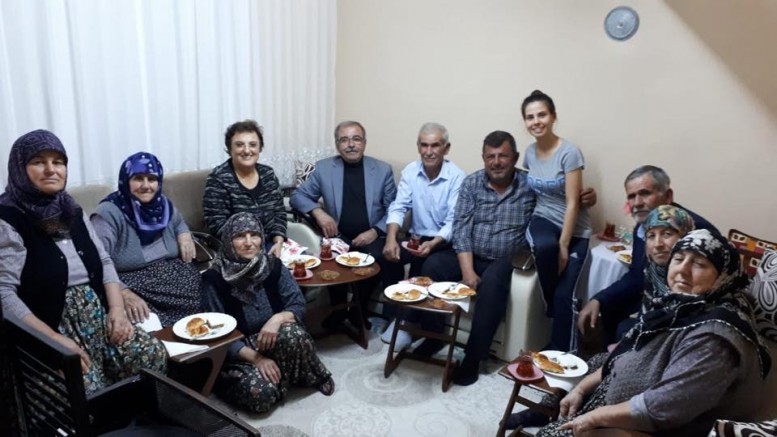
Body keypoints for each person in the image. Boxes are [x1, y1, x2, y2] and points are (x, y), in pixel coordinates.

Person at [537, 229, 770, 437]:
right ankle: (537, 414)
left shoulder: (716, 338)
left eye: (699, 264)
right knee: (570, 387)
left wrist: (593, 418)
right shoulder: (682, 307)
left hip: (646, 428)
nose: (683, 270)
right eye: (678, 259)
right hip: (619, 404)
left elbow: (665, 405)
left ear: (723, 276)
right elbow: (627, 353)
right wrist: (581, 389)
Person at [0, 130, 167, 394]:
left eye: (58, 162)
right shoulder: (8, 219)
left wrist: (117, 310)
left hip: (98, 315)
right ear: (19, 168)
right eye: (38, 162)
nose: (50, 169)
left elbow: (104, 260)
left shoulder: (71, 209)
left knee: (150, 354)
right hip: (48, 328)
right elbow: (4, 293)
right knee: (84, 389)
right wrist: (53, 340)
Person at [505, 204, 697, 431]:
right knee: (590, 363)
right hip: (637, 350)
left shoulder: (688, 282)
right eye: (651, 235)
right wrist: (600, 303)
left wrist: (629, 350)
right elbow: (639, 296)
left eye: (667, 234)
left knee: (601, 375)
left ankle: (572, 418)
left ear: (686, 239)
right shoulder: (654, 271)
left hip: (657, 368)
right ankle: (544, 410)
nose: (658, 243)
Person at [201, 212, 333, 412]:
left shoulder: (273, 266)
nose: (249, 243)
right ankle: (278, 376)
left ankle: (297, 375)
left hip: (273, 336)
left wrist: (277, 319)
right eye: (240, 236)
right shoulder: (214, 279)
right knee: (261, 395)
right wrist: (257, 359)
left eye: (254, 235)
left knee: (295, 334)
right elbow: (216, 334)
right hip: (241, 350)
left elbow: (297, 303)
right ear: (228, 241)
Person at [577, 165, 717, 344]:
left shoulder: (697, 232)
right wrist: (598, 299)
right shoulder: (643, 227)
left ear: (668, 196)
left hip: (691, 310)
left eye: (644, 193)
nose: (637, 203)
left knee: (626, 329)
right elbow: (637, 276)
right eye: (631, 196)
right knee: (609, 310)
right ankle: (615, 357)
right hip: (654, 297)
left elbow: (702, 292)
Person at [290, 120, 397, 330]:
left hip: (372, 235)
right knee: (329, 259)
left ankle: (359, 310)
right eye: (344, 140)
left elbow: (394, 208)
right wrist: (319, 212)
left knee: (377, 258)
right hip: (338, 235)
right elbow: (298, 196)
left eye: (356, 139)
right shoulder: (324, 168)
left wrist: (375, 231)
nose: (351, 144)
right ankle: (338, 310)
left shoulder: (382, 170)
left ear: (364, 143)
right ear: (337, 145)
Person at [380, 122, 466, 349]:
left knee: (428, 265)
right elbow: (399, 207)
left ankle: (422, 327)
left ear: (446, 148)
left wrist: (433, 243)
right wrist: (391, 239)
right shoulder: (411, 171)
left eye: (435, 145)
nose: (429, 151)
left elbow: (453, 222)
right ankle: (394, 316)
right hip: (416, 238)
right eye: (424, 145)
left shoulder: (457, 177)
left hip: (445, 243)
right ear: (418, 146)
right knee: (388, 254)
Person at [91, 152, 201, 327]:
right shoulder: (109, 213)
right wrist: (123, 292)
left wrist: (184, 234)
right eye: (138, 178)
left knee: (210, 292)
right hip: (135, 284)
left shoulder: (162, 204)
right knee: (150, 322)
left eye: (152, 179)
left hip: (176, 279)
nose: (146, 185)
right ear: (126, 180)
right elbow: (96, 261)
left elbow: (179, 222)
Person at [521, 90, 591, 352]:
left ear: (553, 117)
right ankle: (549, 305)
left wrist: (564, 244)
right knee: (544, 247)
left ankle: (561, 354)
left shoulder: (569, 153)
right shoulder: (529, 153)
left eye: (542, 115)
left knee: (565, 295)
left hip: (576, 229)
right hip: (543, 218)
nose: (536, 121)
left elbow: (573, 202)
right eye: (530, 117)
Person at [203, 120, 286, 257]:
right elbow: (216, 225)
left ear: (260, 148)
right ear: (230, 149)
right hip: (238, 250)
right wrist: (251, 245)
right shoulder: (218, 179)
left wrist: (278, 241)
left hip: (271, 245)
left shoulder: (268, 174)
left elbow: (279, 213)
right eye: (239, 145)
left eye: (253, 145)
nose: (247, 151)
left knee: (307, 264)